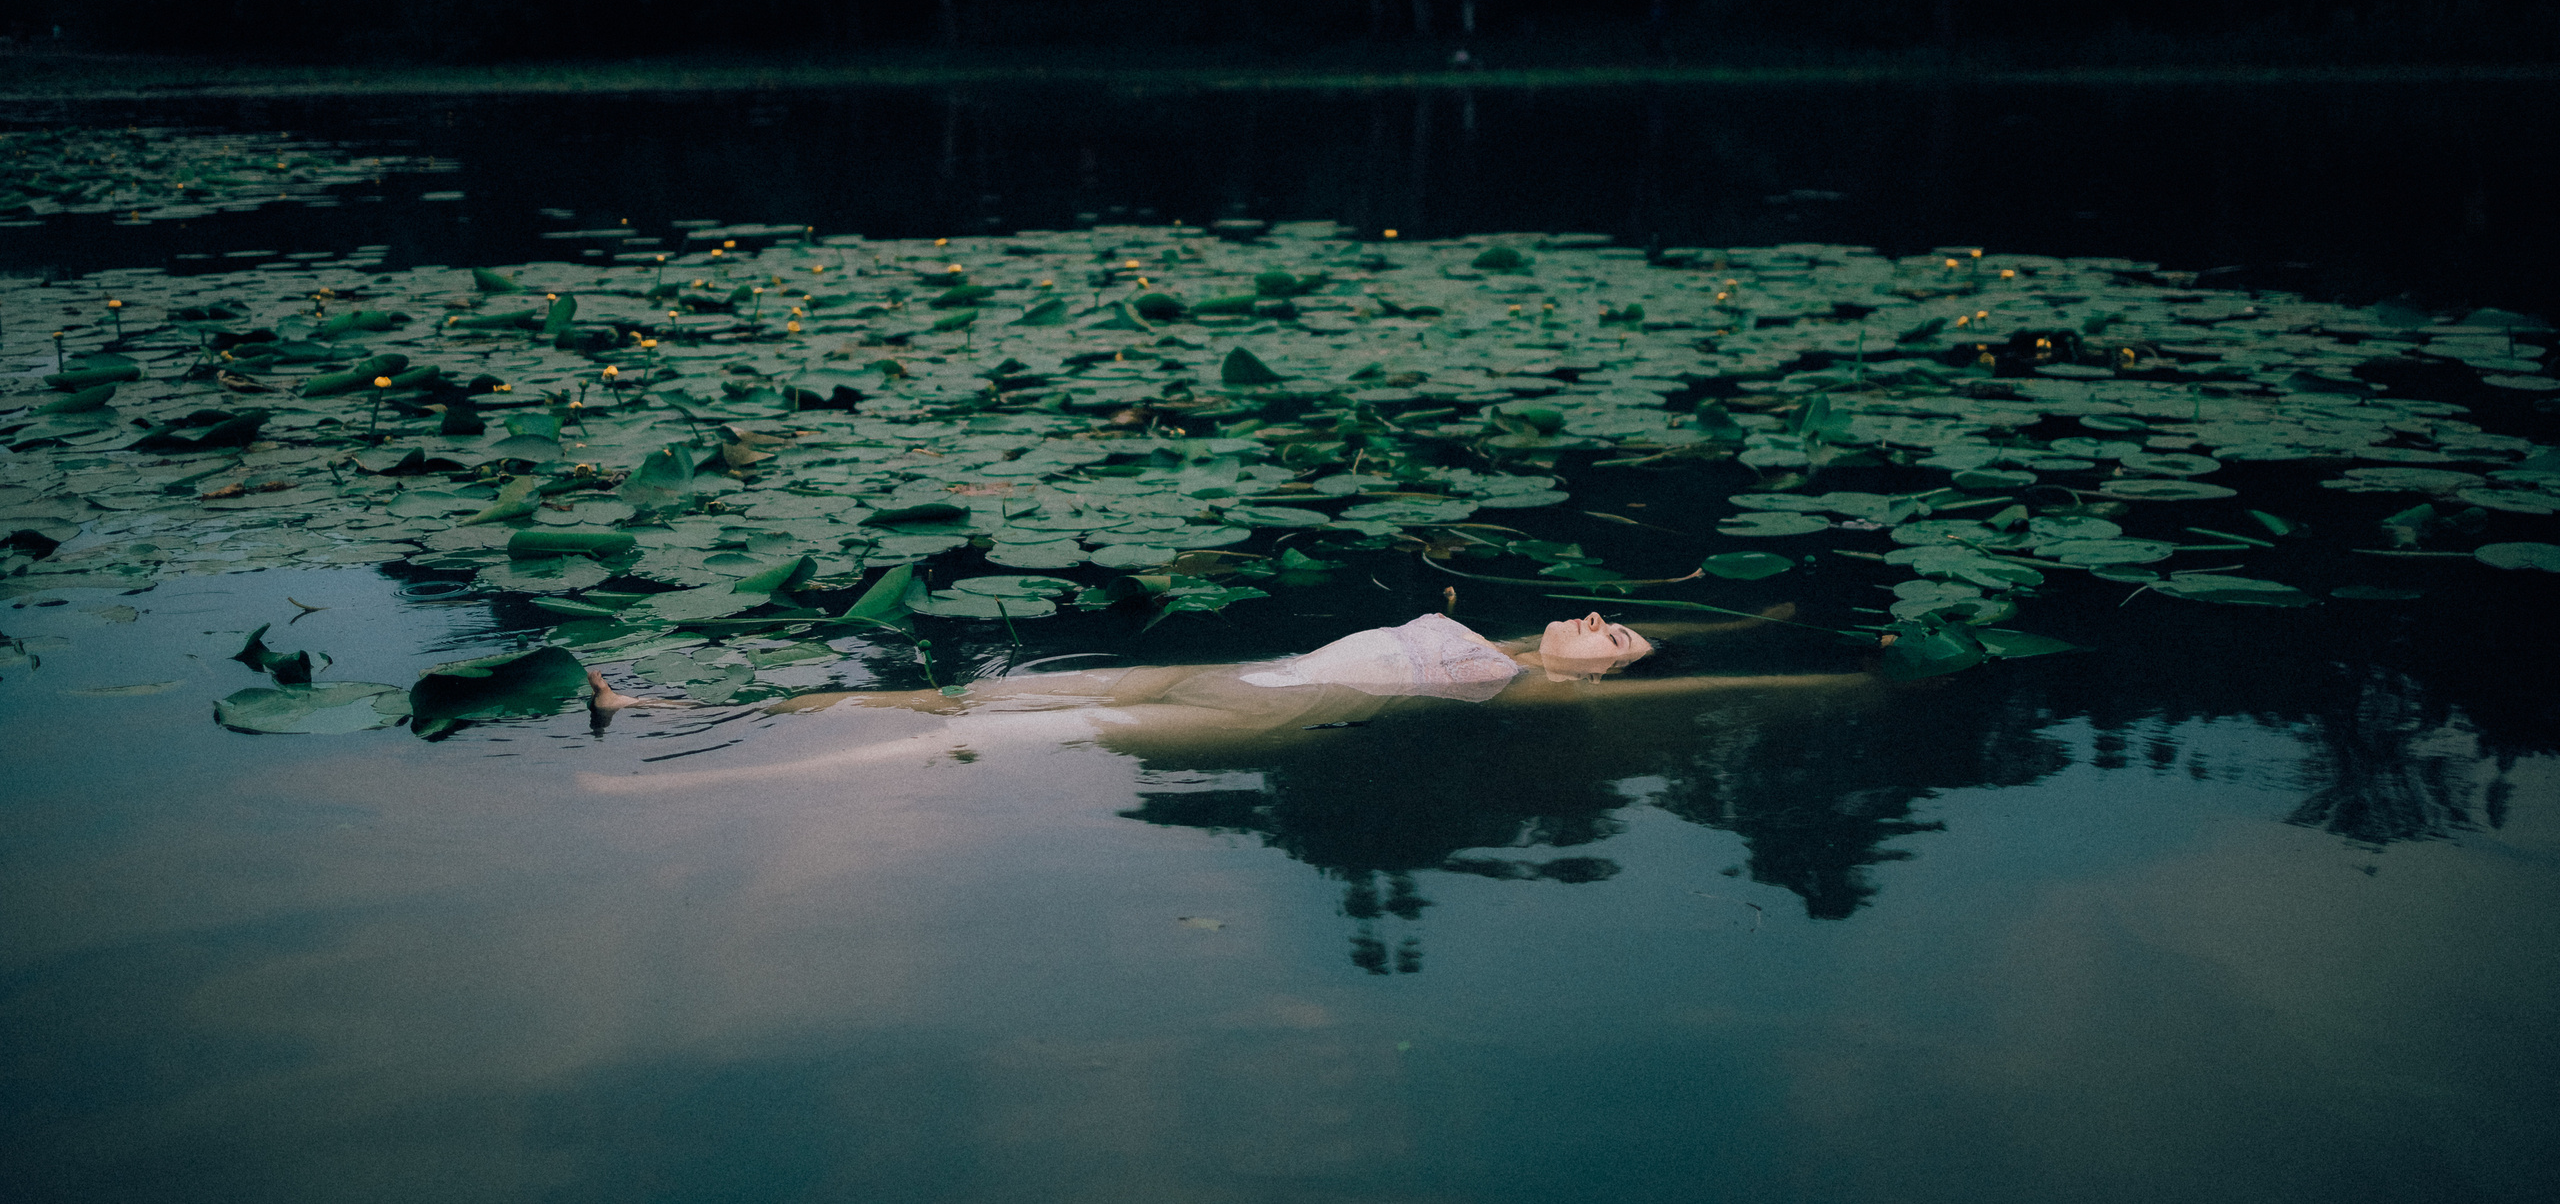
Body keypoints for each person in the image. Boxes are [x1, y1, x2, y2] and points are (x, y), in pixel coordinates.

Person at [582, 604, 1871, 792]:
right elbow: (1709, 633)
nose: (1597, 620)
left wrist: (1786, 663)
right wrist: (1736, 616)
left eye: (1617, 636)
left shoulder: (1524, 695)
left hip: (1266, 714)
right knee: (959, 693)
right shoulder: (1508, 639)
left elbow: (1726, 677)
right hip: (1240, 674)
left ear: (1609, 678)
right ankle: (650, 711)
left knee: (1020, 728)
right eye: (1599, 611)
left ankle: (731, 777)